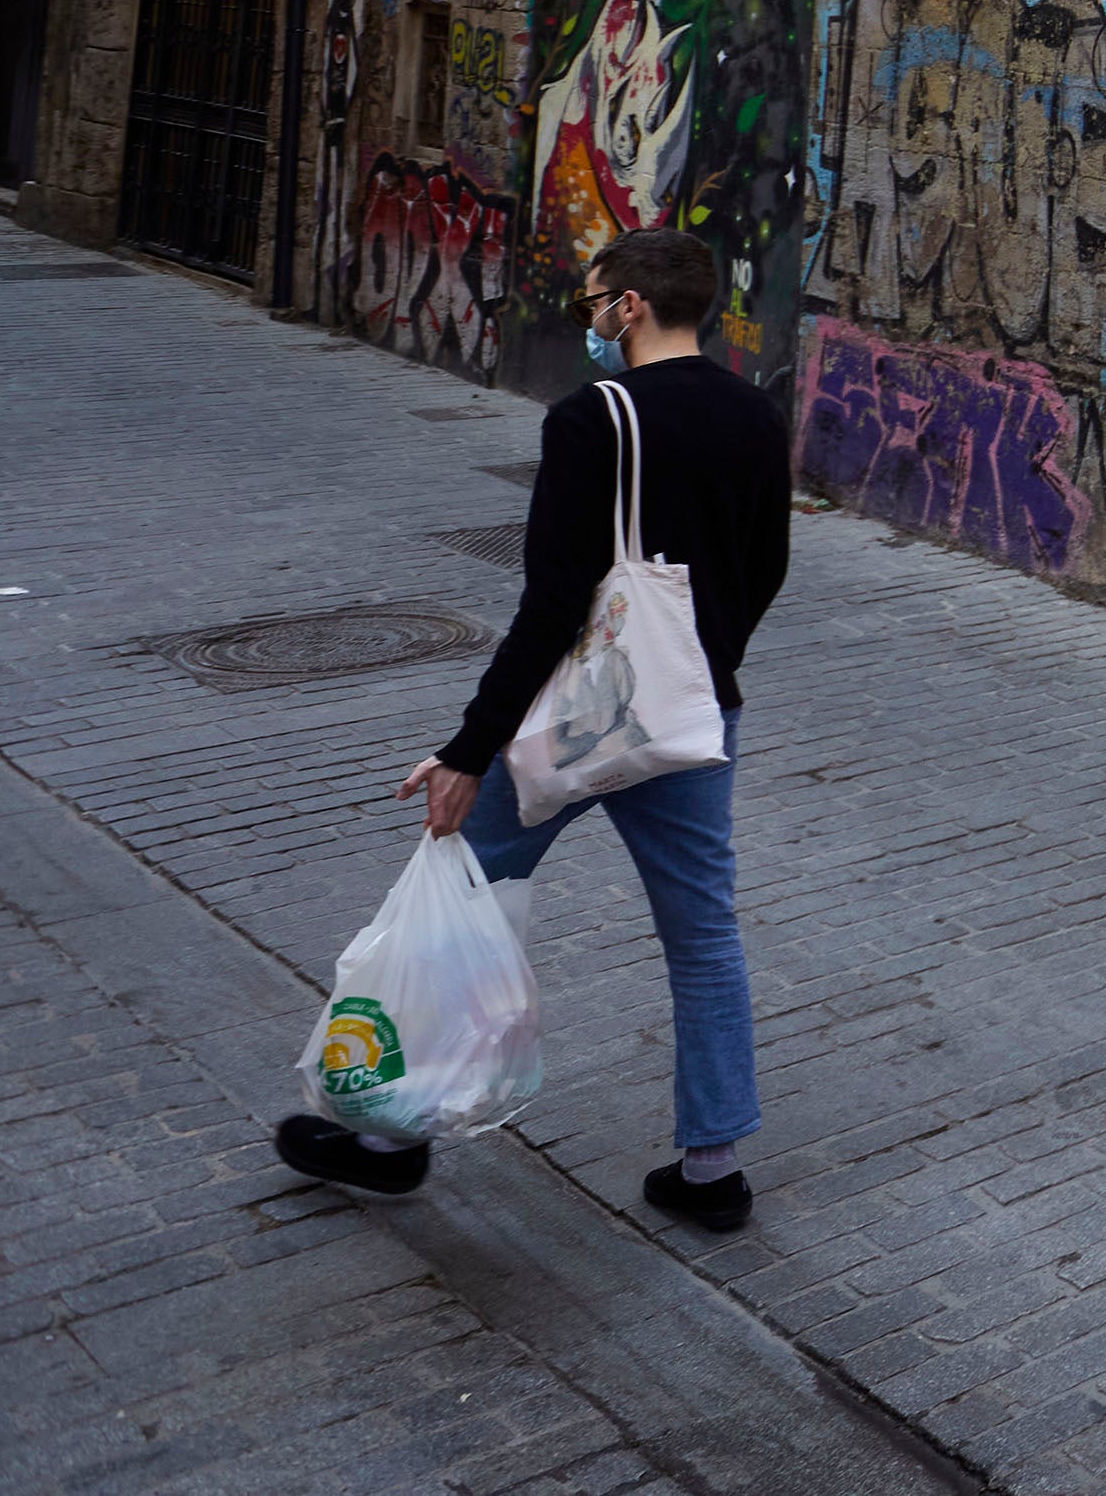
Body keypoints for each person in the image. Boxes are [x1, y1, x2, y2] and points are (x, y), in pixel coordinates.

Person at [271, 228, 792, 1230]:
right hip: (689, 712)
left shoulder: (592, 416)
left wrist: (469, 749)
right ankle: (714, 1165)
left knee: (463, 873)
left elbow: (552, 603)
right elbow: (763, 566)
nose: (589, 318)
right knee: (704, 931)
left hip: (578, 718)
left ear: (630, 305)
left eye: (594, 301)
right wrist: (705, 656)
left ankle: (388, 1133)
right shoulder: (756, 413)